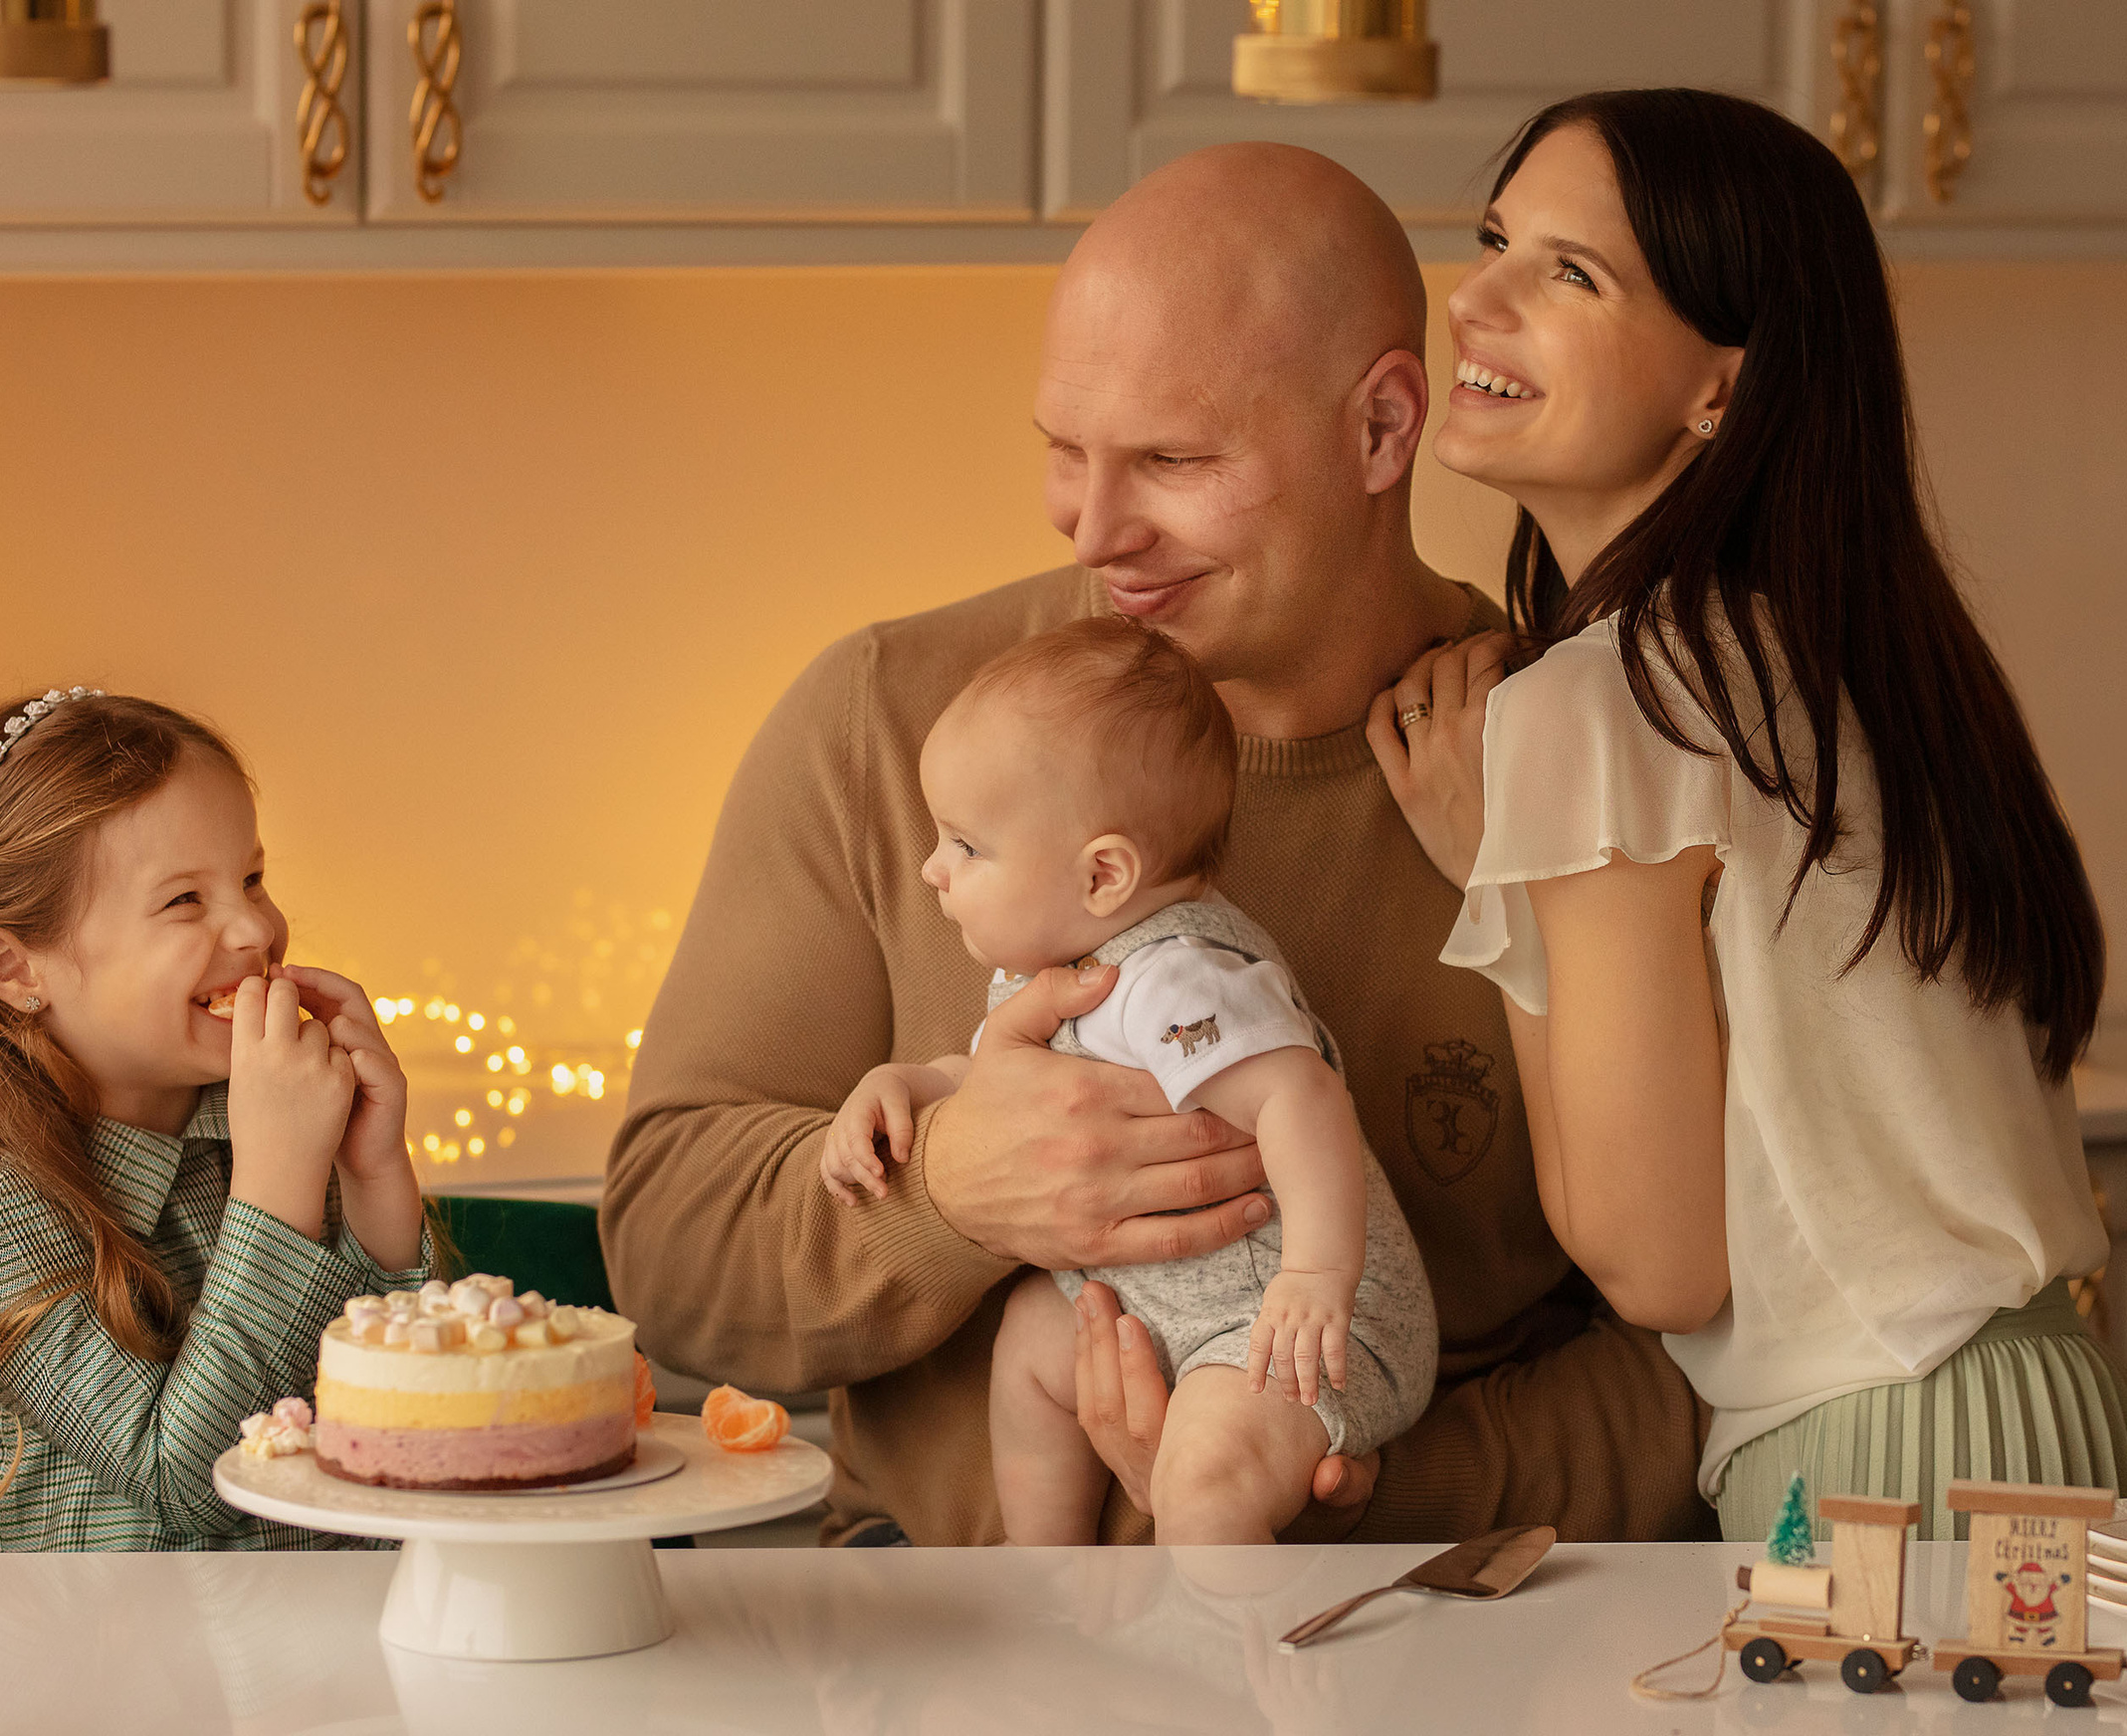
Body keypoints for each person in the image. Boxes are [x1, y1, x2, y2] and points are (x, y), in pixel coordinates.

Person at [604, 142, 1710, 1547]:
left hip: (1418, 1640)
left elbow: (1712, 1365)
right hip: (950, 1644)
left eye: (1175, 460)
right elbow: (666, 1250)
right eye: (1066, 453)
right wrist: (948, 1192)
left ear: (1382, 431)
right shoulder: (886, 721)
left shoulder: (1581, 771)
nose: (1097, 529)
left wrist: (1337, 1487)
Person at [1371, 89, 2127, 1538]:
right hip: (2078, 1416)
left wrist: (1488, 879)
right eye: (1496, 239)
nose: (1475, 297)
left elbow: (1655, 1265)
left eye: (1571, 274)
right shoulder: (1863, 666)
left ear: (1723, 389)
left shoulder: (1599, 700)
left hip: (1885, 1477)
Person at [820, 617, 1436, 1543]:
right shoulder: (1056, 971)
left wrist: (1315, 1275)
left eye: (967, 846)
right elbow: (992, 1081)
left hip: (1283, 1325)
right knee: (1031, 1340)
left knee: (1205, 1481)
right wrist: (902, 1085)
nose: (932, 869)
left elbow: (1299, 1095)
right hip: (1156, 1309)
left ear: (1103, 874)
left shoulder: (1173, 977)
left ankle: (1252, 1668)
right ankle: (1056, 1584)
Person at [0, 689, 431, 1550]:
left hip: (339, 1647)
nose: (257, 926)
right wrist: (277, 1187)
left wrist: (373, 1177)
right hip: (116, 1671)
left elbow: (413, 1432)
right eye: (185, 900)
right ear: (13, 968)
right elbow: (189, 1486)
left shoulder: (268, 1117)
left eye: (253, 878)